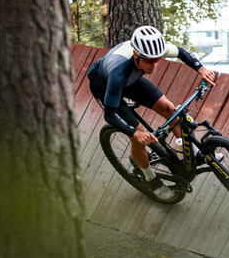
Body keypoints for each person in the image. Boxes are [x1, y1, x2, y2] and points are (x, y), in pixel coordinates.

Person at [88, 25, 218, 199]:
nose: (154, 65)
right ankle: (149, 178)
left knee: (170, 109)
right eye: (150, 61)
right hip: (105, 86)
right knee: (139, 134)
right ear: (136, 54)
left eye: (157, 59)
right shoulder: (118, 72)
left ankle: (191, 154)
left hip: (131, 79)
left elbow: (180, 52)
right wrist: (135, 134)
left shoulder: (153, 50)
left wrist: (201, 69)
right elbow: (110, 115)